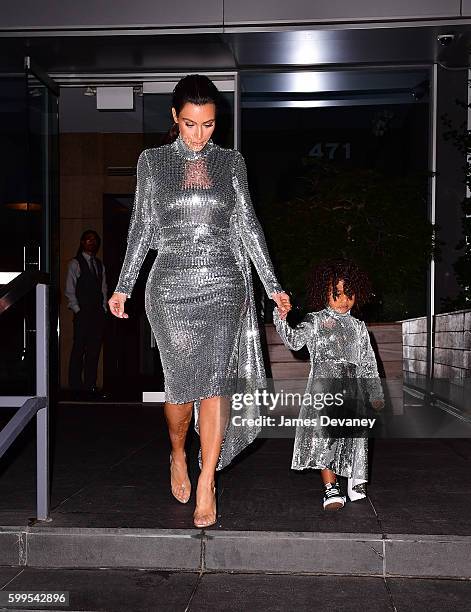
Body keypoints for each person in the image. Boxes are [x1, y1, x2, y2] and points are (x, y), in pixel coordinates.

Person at [108, 74, 292, 528]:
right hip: (169, 286)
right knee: (179, 390)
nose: (198, 134)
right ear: (175, 118)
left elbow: (248, 226)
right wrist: (123, 284)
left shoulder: (232, 163)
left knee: (215, 383)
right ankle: (177, 452)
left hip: (225, 282)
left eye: (208, 125)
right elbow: (142, 227)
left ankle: (207, 479)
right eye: (190, 124)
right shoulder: (150, 162)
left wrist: (272, 284)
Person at [272, 259, 384, 511]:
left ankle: (354, 480)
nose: (344, 300)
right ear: (324, 293)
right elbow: (294, 341)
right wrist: (281, 318)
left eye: (349, 294)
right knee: (326, 438)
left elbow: (368, 362)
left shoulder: (359, 327)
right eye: (337, 294)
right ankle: (330, 487)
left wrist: (375, 392)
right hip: (324, 390)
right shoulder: (315, 321)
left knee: (355, 436)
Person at [65, 230, 109, 399]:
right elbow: (70, 289)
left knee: (94, 350)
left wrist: (104, 308)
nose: (92, 242)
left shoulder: (99, 265)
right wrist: (78, 309)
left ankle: (90, 384)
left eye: (95, 240)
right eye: (88, 239)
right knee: (79, 349)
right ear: (82, 242)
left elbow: (103, 288)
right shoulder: (75, 263)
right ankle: (75, 386)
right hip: (83, 313)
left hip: (97, 313)